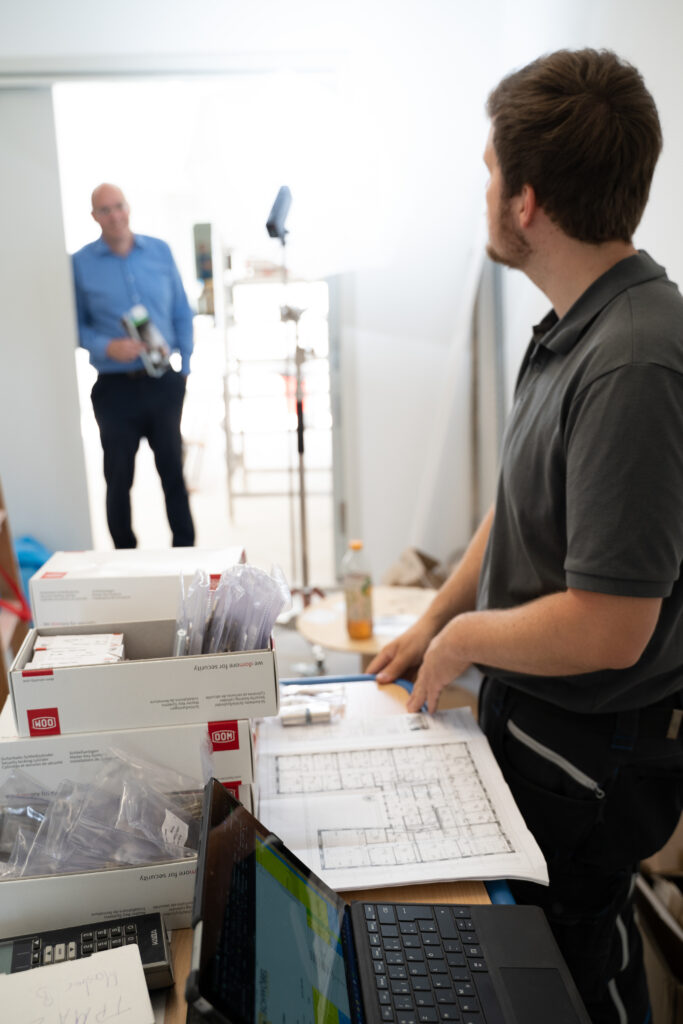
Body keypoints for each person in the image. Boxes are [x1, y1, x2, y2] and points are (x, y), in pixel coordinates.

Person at [368, 49, 683, 1024]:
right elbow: (517, 506)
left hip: (589, 752)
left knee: (566, 975)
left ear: (525, 202)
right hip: (534, 720)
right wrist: (434, 621)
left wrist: (467, 638)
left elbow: (611, 625)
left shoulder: (633, 362)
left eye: (489, 173)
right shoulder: (572, 327)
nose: (485, 192)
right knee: (510, 955)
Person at [72, 183, 195, 548]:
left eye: (119, 206)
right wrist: (107, 346)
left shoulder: (159, 251)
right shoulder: (80, 263)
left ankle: (185, 552)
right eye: (105, 210)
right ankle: (123, 555)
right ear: (94, 217)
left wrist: (184, 368)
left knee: (173, 472)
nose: (114, 216)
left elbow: (181, 310)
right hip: (114, 388)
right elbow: (75, 324)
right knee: (118, 477)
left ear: (128, 208)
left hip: (163, 382)